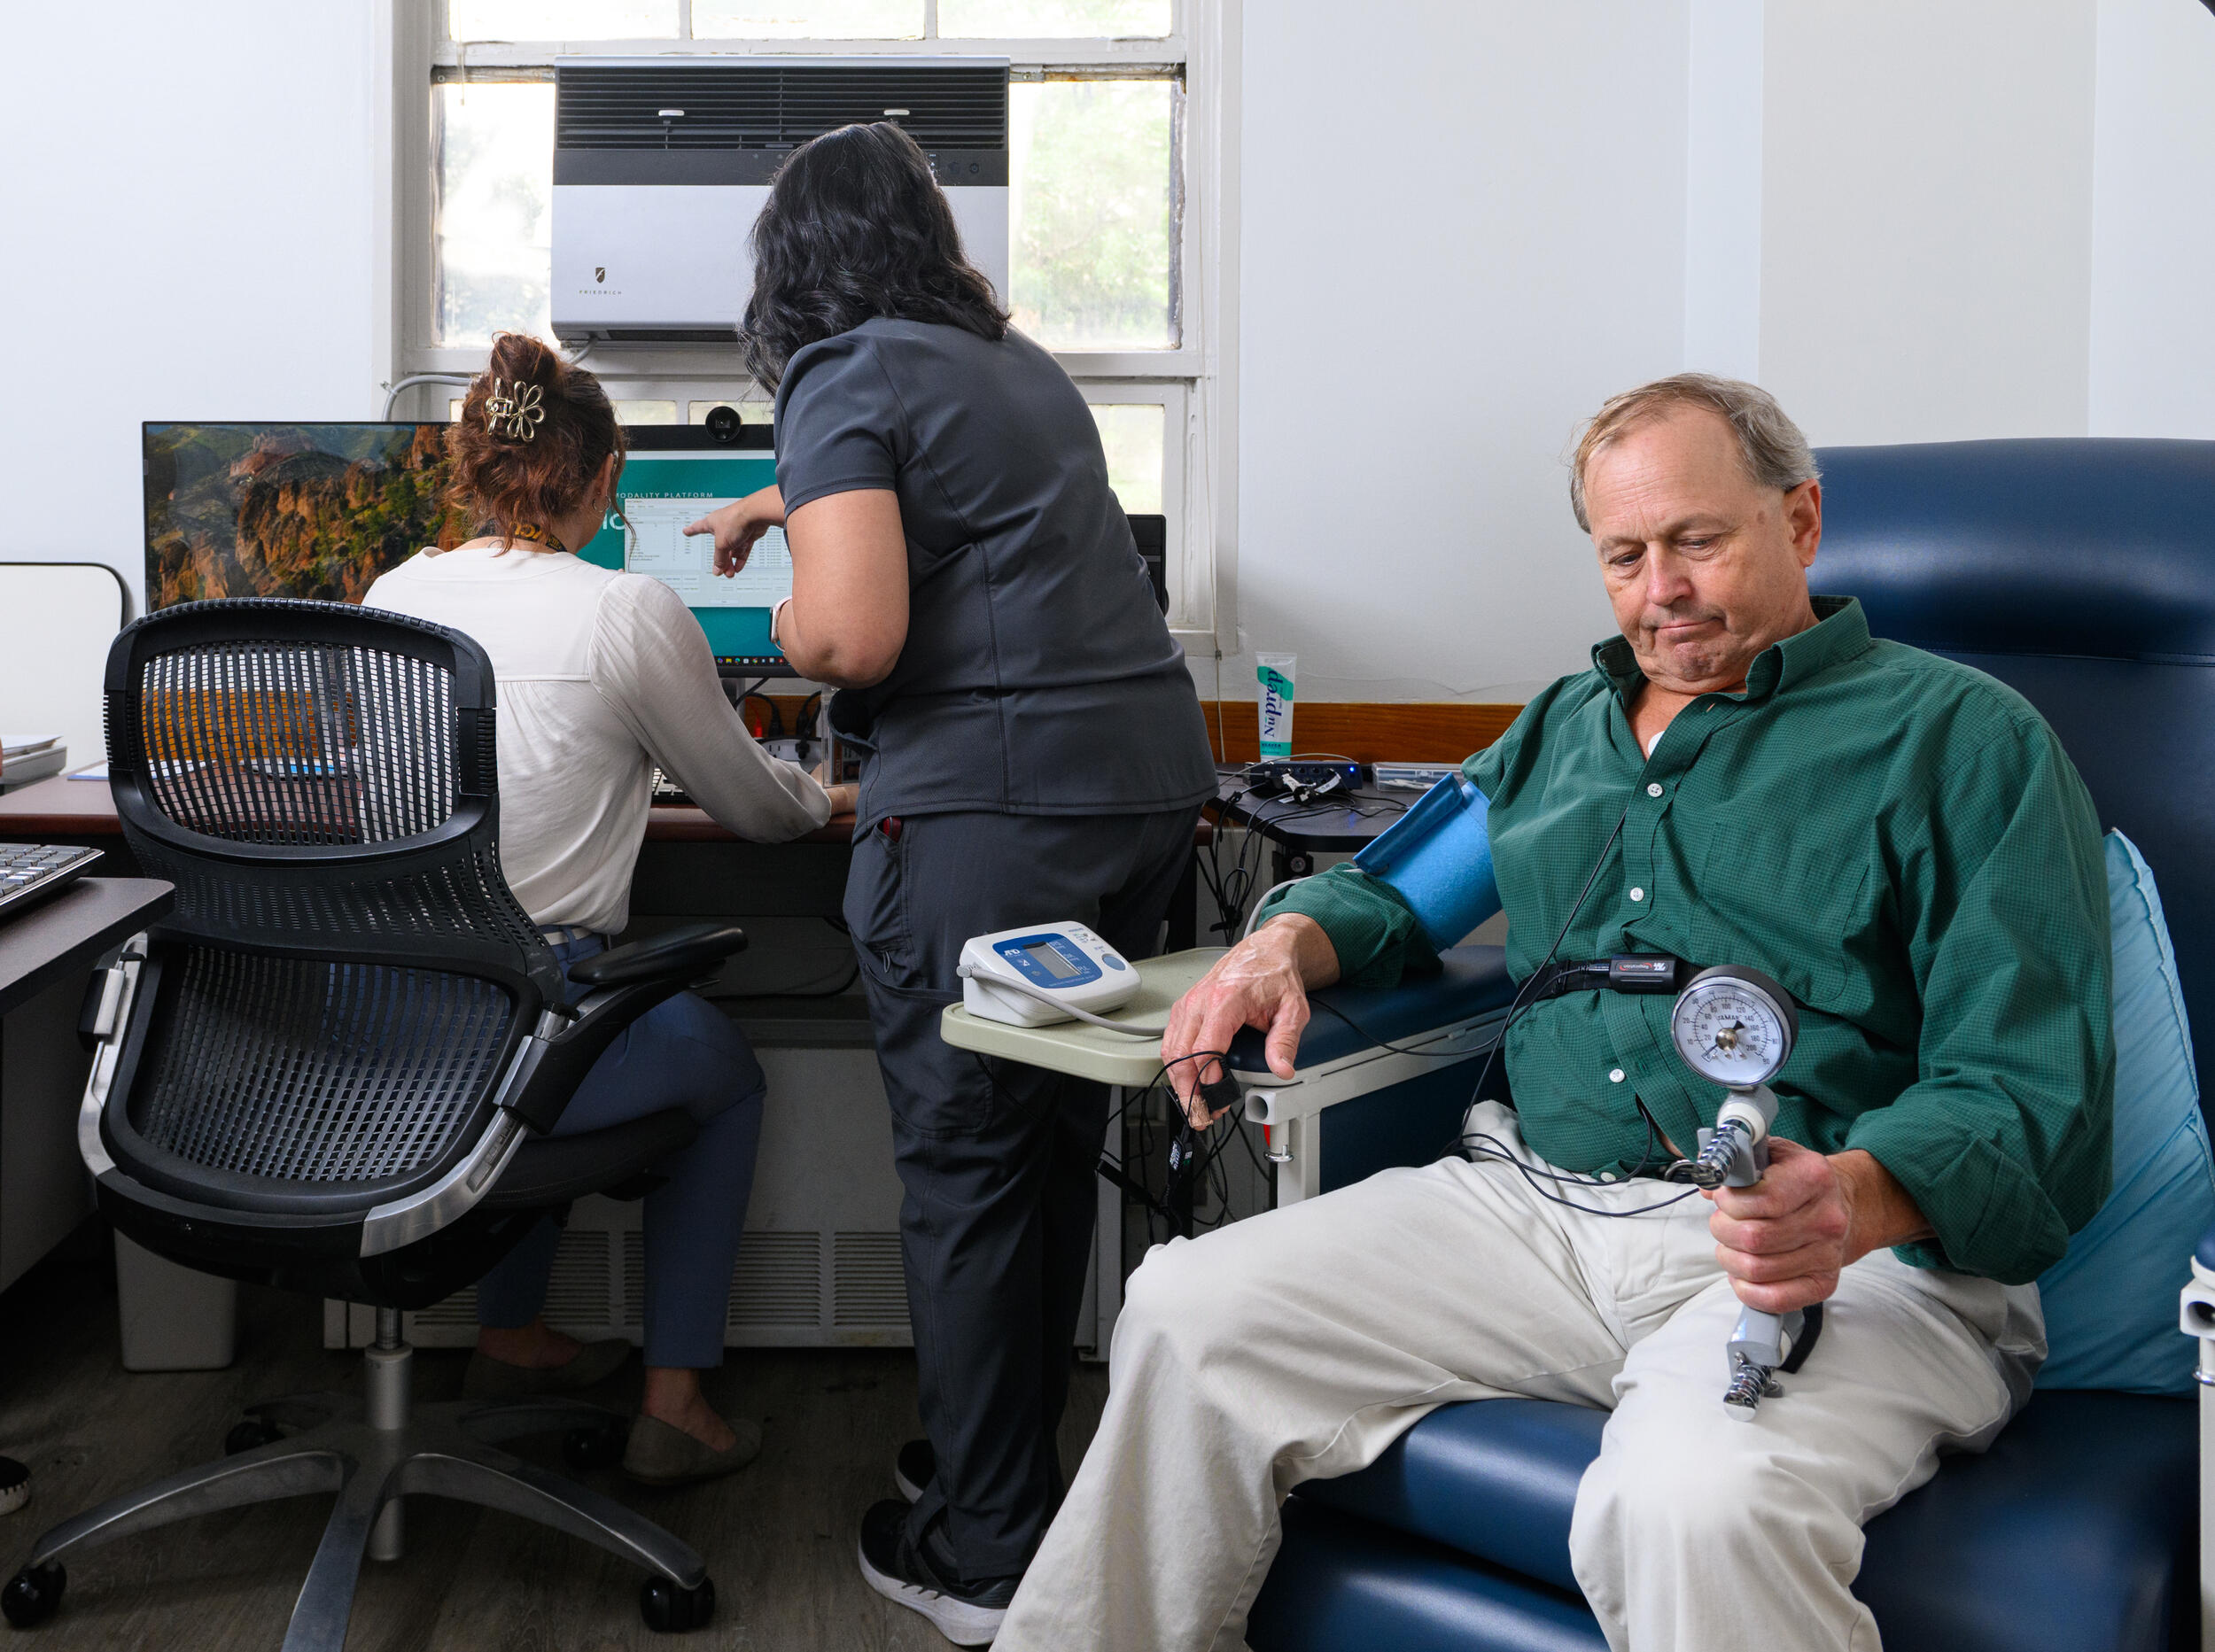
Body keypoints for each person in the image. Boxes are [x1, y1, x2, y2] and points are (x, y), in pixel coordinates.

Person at [996, 374, 2117, 1652]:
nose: (1661, 590)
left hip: (1843, 1249)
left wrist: (1856, 1195)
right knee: (1189, 1311)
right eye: (1624, 556)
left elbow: (2037, 1101)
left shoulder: (1965, 740)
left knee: (1694, 1501)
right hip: (1541, 1212)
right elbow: (1400, 886)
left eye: (1697, 540)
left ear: (1800, 522)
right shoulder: (1567, 727)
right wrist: (1287, 944)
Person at [684, 121, 1218, 1645]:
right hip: (1137, 792)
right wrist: (774, 506)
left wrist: (773, 610)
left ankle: (983, 1557)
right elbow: (965, 522)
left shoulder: (837, 374)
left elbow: (850, 639)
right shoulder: (1015, 368)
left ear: (794, 264)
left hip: (995, 808)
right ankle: (1013, 1481)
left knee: (969, 1166)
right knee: (1042, 1146)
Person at [365, 333, 856, 1486]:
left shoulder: (394, 593)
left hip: (376, 1030)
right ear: (603, 478)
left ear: (473, 471)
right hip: (521, 1032)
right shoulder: (624, 610)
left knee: (539, 997)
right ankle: (675, 1400)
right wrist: (826, 788)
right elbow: (757, 810)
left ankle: (509, 1335)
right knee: (710, 1063)